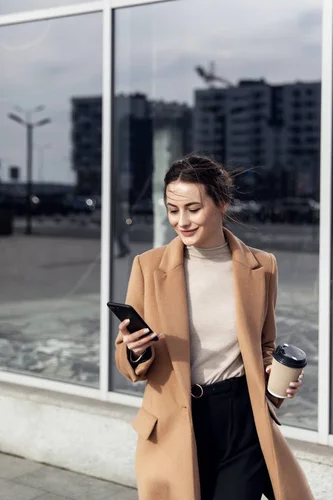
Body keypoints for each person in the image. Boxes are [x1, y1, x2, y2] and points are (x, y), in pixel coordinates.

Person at [115, 154, 314, 500]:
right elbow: (130, 366)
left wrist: (275, 374)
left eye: (193, 208)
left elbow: (264, 344)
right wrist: (134, 350)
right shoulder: (147, 267)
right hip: (173, 422)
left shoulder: (261, 267)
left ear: (221, 203)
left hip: (241, 420)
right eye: (173, 210)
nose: (182, 221)